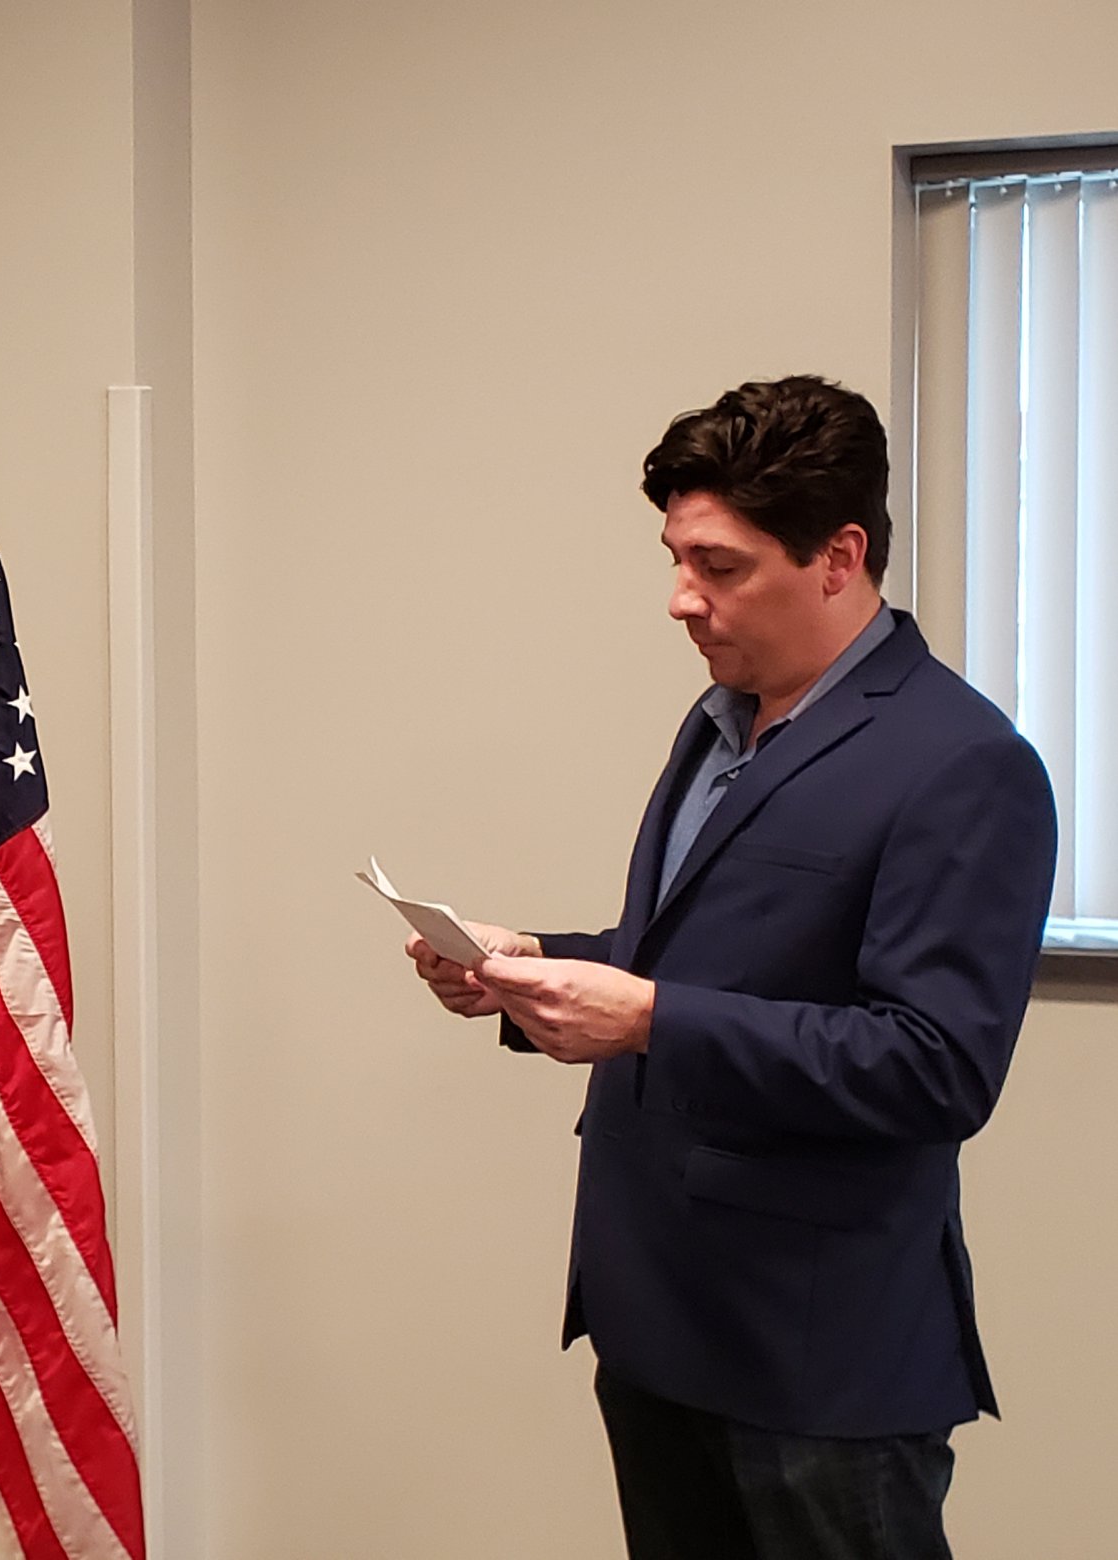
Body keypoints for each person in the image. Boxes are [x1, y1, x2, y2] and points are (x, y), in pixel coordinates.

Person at [406, 376, 1057, 1560]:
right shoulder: (719, 719)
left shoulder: (963, 763)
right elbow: (701, 962)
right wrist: (532, 964)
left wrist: (647, 1016)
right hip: (657, 1319)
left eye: (719, 566)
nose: (680, 599)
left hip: (819, 1359)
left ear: (838, 557)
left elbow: (936, 1066)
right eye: (676, 559)